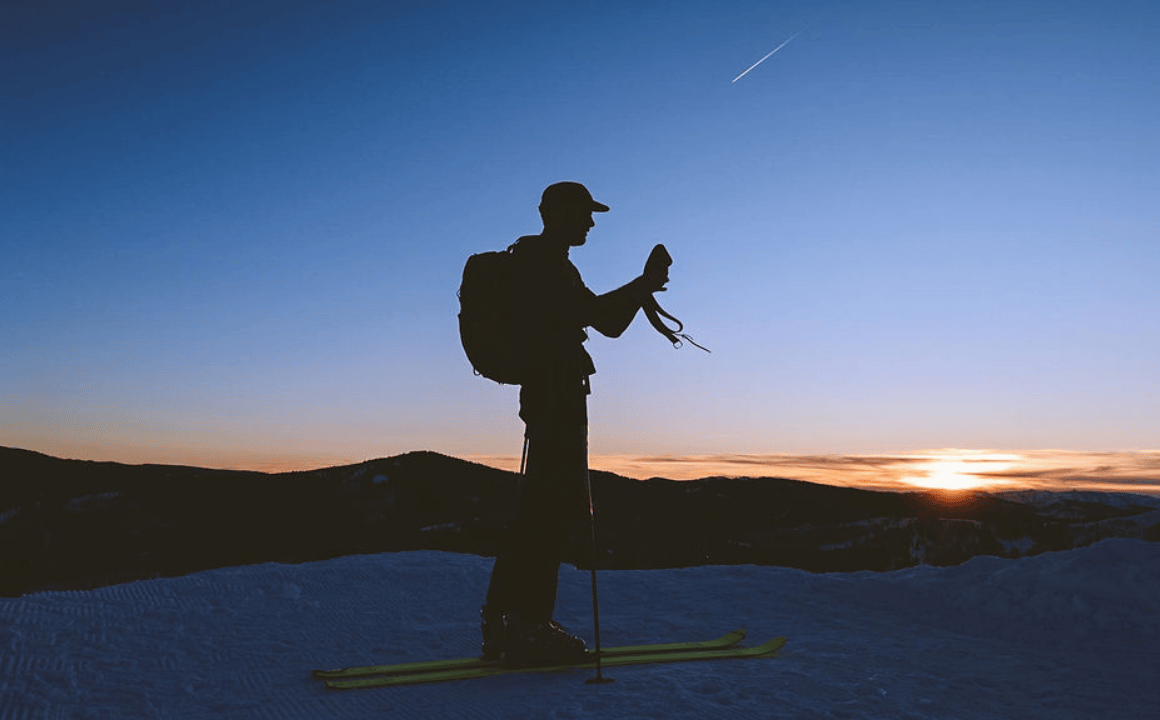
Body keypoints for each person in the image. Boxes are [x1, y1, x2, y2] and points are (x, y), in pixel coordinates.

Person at [480, 182, 669, 666]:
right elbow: (604, 320)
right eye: (584, 213)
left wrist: (641, 286)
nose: (590, 222)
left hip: (546, 393)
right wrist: (644, 283)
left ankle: (505, 621)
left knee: (534, 509)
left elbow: (601, 319)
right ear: (556, 213)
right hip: (556, 395)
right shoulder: (548, 266)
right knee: (550, 509)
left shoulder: (540, 263)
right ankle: (529, 627)